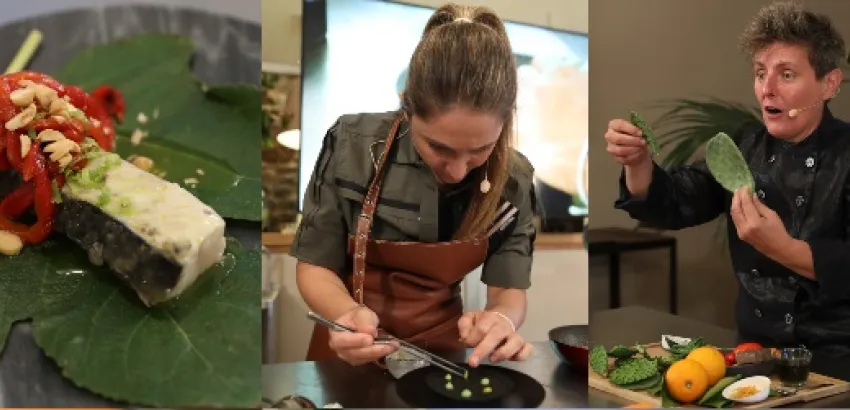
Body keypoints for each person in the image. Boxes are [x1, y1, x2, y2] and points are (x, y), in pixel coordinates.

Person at [290, 3, 539, 368]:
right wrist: (345, 314)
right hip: (349, 353)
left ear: (506, 122)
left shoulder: (514, 179)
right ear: (406, 106)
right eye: (438, 146)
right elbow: (314, 265)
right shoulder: (352, 145)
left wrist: (501, 319)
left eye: (480, 150)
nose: (456, 171)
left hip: (442, 357)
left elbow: (508, 290)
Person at [604, 1, 848, 354]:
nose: (768, 89)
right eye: (761, 73)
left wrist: (785, 249)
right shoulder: (742, 146)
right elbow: (673, 202)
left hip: (836, 357)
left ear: (829, 84)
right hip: (754, 353)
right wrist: (637, 161)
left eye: (787, 74)